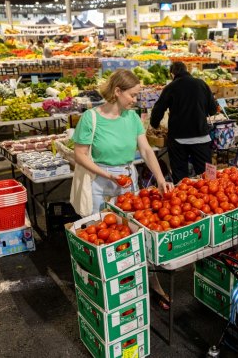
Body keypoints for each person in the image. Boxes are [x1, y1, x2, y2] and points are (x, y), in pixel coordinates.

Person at [72, 69, 174, 309]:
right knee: (102, 236)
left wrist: (160, 178)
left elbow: (147, 150)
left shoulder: (132, 118)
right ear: (117, 92)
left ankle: (147, 283)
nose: (136, 100)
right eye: (133, 95)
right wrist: (108, 174)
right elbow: (80, 154)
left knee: (135, 233)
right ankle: (102, 288)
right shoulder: (91, 118)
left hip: (127, 179)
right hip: (99, 181)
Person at [150, 61, 217, 183]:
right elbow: (213, 110)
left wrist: (154, 124)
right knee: (207, 177)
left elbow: (158, 109)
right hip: (201, 137)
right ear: (187, 70)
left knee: (181, 176)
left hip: (178, 139)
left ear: (172, 74)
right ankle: (209, 197)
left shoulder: (171, 87)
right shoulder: (201, 84)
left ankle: (182, 198)